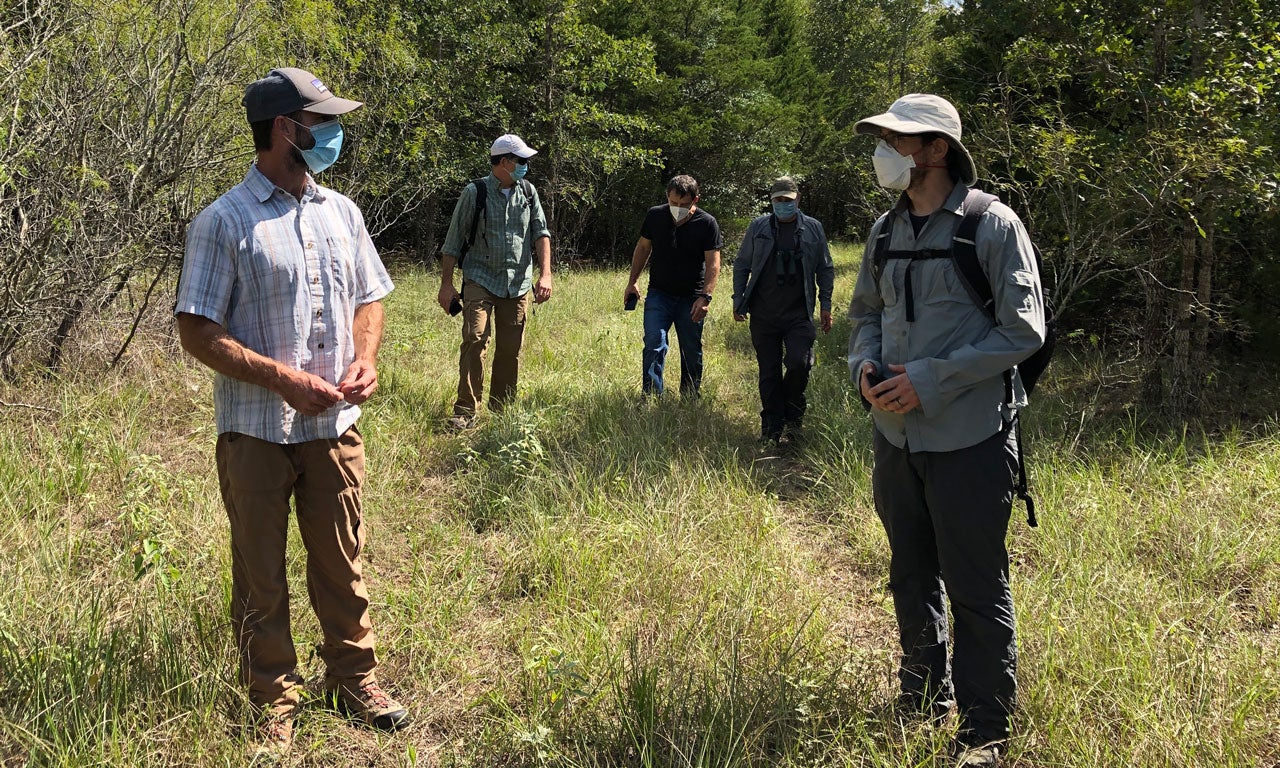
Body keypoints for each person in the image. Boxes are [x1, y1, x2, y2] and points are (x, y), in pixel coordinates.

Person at [174, 67, 409, 754]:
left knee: (343, 558)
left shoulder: (342, 213)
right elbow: (197, 331)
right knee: (260, 569)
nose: (333, 134)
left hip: (333, 428)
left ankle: (353, 677)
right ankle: (274, 697)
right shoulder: (224, 222)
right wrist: (281, 380)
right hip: (255, 431)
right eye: (323, 122)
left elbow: (371, 297)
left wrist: (367, 357)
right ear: (286, 130)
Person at [846, 94, 1046, 768]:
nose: (884, 152)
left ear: (935, 150)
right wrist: (864, 369)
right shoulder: (883, 231)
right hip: (895, 440)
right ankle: (922, 698)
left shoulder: (991, 226)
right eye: (883, 139)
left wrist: (929, 379)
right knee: (910, 573)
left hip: (970, 441)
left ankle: (984, 733)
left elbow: (1023, 332)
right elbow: (865, 314)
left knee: (976, 587)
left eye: (897, 141)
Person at [437, 134, 553, 430]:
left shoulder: (528, 192)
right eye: (521, 161)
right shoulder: (474, 193)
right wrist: (446, 284)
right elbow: (453, 241)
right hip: (480, 279)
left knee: (510, 348)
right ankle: (465, 411)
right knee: (475, 339)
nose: (525, 166)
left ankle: (502, 410)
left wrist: (546, 273)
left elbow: (541, 233)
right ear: (504, 162)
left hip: (517, 283)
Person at [732, 176, 835, 445]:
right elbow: (742, 265)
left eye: (787, 200)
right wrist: (739, 300)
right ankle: (772, 427)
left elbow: (825, 268)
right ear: (771, 200)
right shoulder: (758, 227)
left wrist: (825, 305)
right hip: (764, 314)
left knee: (799, 364)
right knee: (768, 372)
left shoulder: (813, 228)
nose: (782, 204)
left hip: (798, 314)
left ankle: (794, 419)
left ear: (797, 199)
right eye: (777, 200)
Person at [623, 175, 722, 397]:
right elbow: (642, 248)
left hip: (692, 298)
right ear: (667, 197)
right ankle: (651, 396)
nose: (677, 209)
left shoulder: (707, 223)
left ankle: (689, 397)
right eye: (673, 203)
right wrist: (632, 282)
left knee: (691, 350)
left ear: (695, 199)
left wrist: (705, 297)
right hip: (659, 294)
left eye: (684, 205)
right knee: (653, 343)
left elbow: (713, 263)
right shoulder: (655, 215)